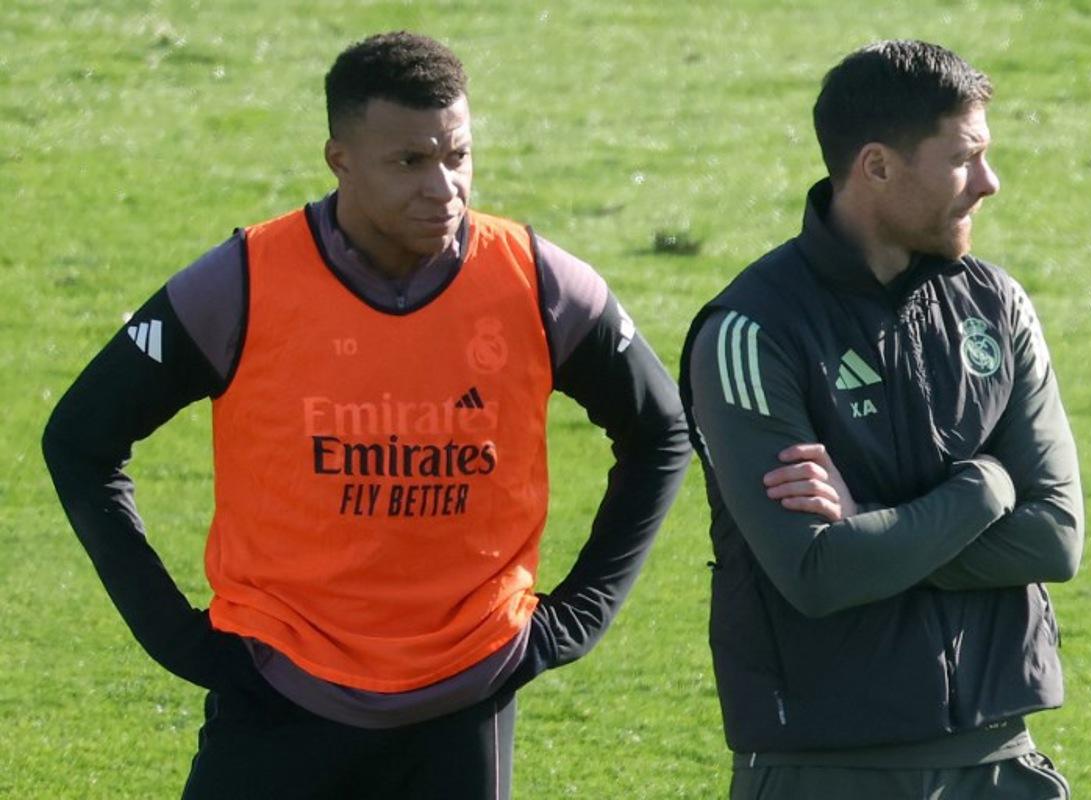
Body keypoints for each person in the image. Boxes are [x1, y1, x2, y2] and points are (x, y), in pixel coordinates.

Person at [43, 31, 690, 799]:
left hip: (464, 697)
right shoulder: (244, 283)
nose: (444, 187)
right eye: (410, 162)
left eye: (458, 155)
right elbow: (80, 441)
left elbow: (661, 432)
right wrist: (177, 639)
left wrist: (575, 617)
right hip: (277, 693)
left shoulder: (538, 283)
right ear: (339, 160)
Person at [680, 40, 1083, 799]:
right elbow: (818, 572)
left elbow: (1056, 537)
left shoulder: (996, 307)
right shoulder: (751, 332)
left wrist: (873, 523)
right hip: (827, 771)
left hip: (1001, 762)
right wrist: (985, 490)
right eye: (964, 158)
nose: (989, 184)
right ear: (876, 166)